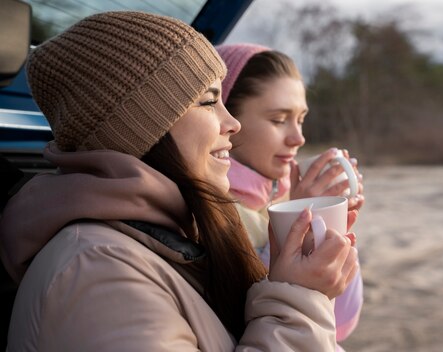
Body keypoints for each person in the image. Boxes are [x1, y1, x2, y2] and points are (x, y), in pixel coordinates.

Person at [0, 12, 359, 351]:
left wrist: (292, 282)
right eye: (208, 101)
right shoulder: (94, 270)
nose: (232, 123)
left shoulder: (184, 232)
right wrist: (298, 299)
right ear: (140, 127)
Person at [216, 43, 366, 348]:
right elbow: (245, 320)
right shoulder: (208, 212)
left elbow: (340, 325)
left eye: (300, 119)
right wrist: (292, 225)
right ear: (226, 120)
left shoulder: (279, 196)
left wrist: (331, 230)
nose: (298, 138)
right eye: (278, 119)